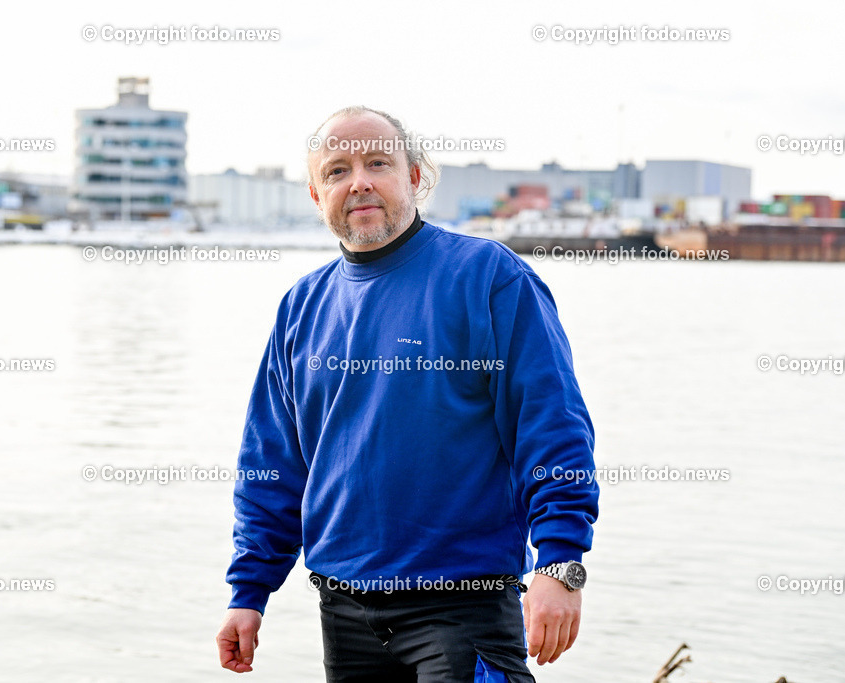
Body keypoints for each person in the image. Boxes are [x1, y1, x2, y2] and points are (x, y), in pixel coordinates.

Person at [215, 106, 599, 682]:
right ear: (318, 197)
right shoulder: (302, 307)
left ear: (415, 177)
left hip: (461, 606)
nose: (359, 181)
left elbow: (551, 427)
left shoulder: (488, 277)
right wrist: (249, 591)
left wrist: (561, 561)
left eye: (378, 162)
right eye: (337, 170)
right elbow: (272, 462)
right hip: (343, 612)